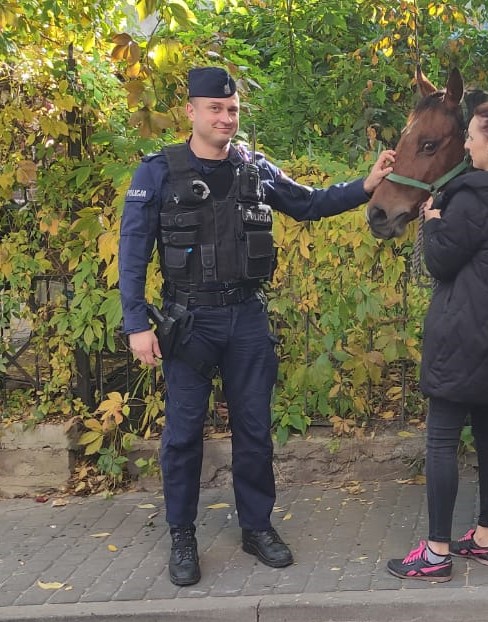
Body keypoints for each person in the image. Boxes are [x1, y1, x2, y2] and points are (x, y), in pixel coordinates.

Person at [118, 67, 397, 587]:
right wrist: (137, 324)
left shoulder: (254, 167)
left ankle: (257, 527)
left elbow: (309, 203)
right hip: (188, 321)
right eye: (216, 109)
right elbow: (131, 255)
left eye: (233, 110)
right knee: (182, 438)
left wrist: (367, 185)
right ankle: (182, 535)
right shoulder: (157, 173)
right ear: (192, 113)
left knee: (254, 432)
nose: (226, 117)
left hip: (246, 317)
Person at [387, 102, 488, 582]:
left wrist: (433, 220)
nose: (466, 145)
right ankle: (485, 538)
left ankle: (436, 553)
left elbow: (440, 261)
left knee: (440, 439)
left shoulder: (473, 199)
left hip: (460, 334)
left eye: (473, 137)